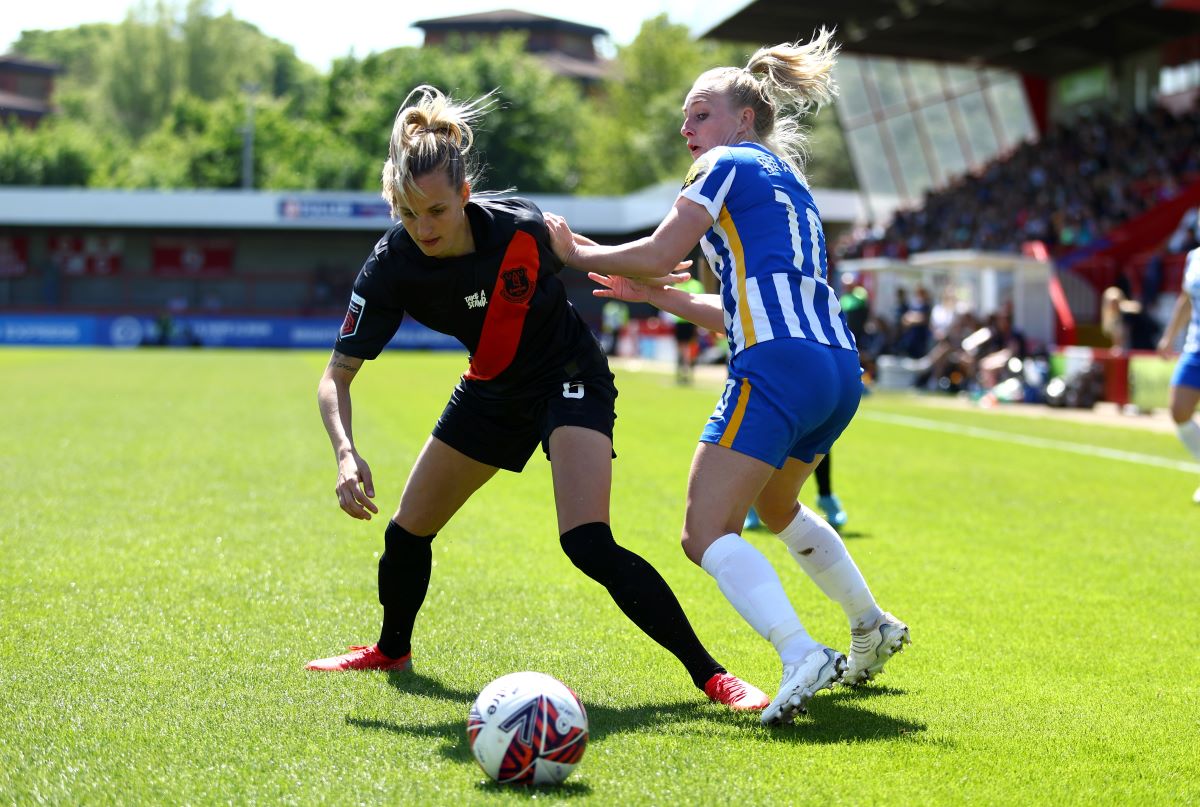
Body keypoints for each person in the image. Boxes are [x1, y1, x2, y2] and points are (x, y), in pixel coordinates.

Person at [304, 85, 769, 713]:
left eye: (437, 211)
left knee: (586, 541)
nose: (423, 228)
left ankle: (713, 677)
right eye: (408, 215)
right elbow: (337, 375)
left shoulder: (518, 226)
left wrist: (648, 279)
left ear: (466, 195)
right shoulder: (391, 267)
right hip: (491, 387)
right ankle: (391, 649)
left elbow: (588, 258)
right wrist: (344, 453)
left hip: (568, 373)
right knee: (406, 534)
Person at [543, 32, 909, 726]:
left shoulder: (721, 166)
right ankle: (871, 624)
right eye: (686, 119)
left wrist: (573, 249)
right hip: (835, 368)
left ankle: (799, 650)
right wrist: (660, 297)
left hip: (777, 366)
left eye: (700, 112)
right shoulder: (787, 183)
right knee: (776, 508)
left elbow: (658, 249)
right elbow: (740, 305)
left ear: (744, 118)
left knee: (703, 530)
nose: (688, 128)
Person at [1157, 245, 1200, 503]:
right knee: (1179, 410)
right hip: (1195, 348)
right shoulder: (1194, 257)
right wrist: (1169, 336)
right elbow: (1186, 298)